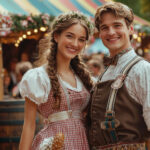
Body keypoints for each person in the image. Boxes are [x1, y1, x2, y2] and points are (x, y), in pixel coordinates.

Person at [19, 11, 94, 150]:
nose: (75, 43)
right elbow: (29, 125)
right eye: (69, 36)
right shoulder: (39, 77)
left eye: (81, 39)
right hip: (55, 144)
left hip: (83, 143)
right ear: (56, 36)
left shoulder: (84, 77)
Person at [88, 2, 150, 150]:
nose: (111, 32)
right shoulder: (105, 73)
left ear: (130, 29)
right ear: (100, 33)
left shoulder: (142, 69)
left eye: (117, 25)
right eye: (104, 28)